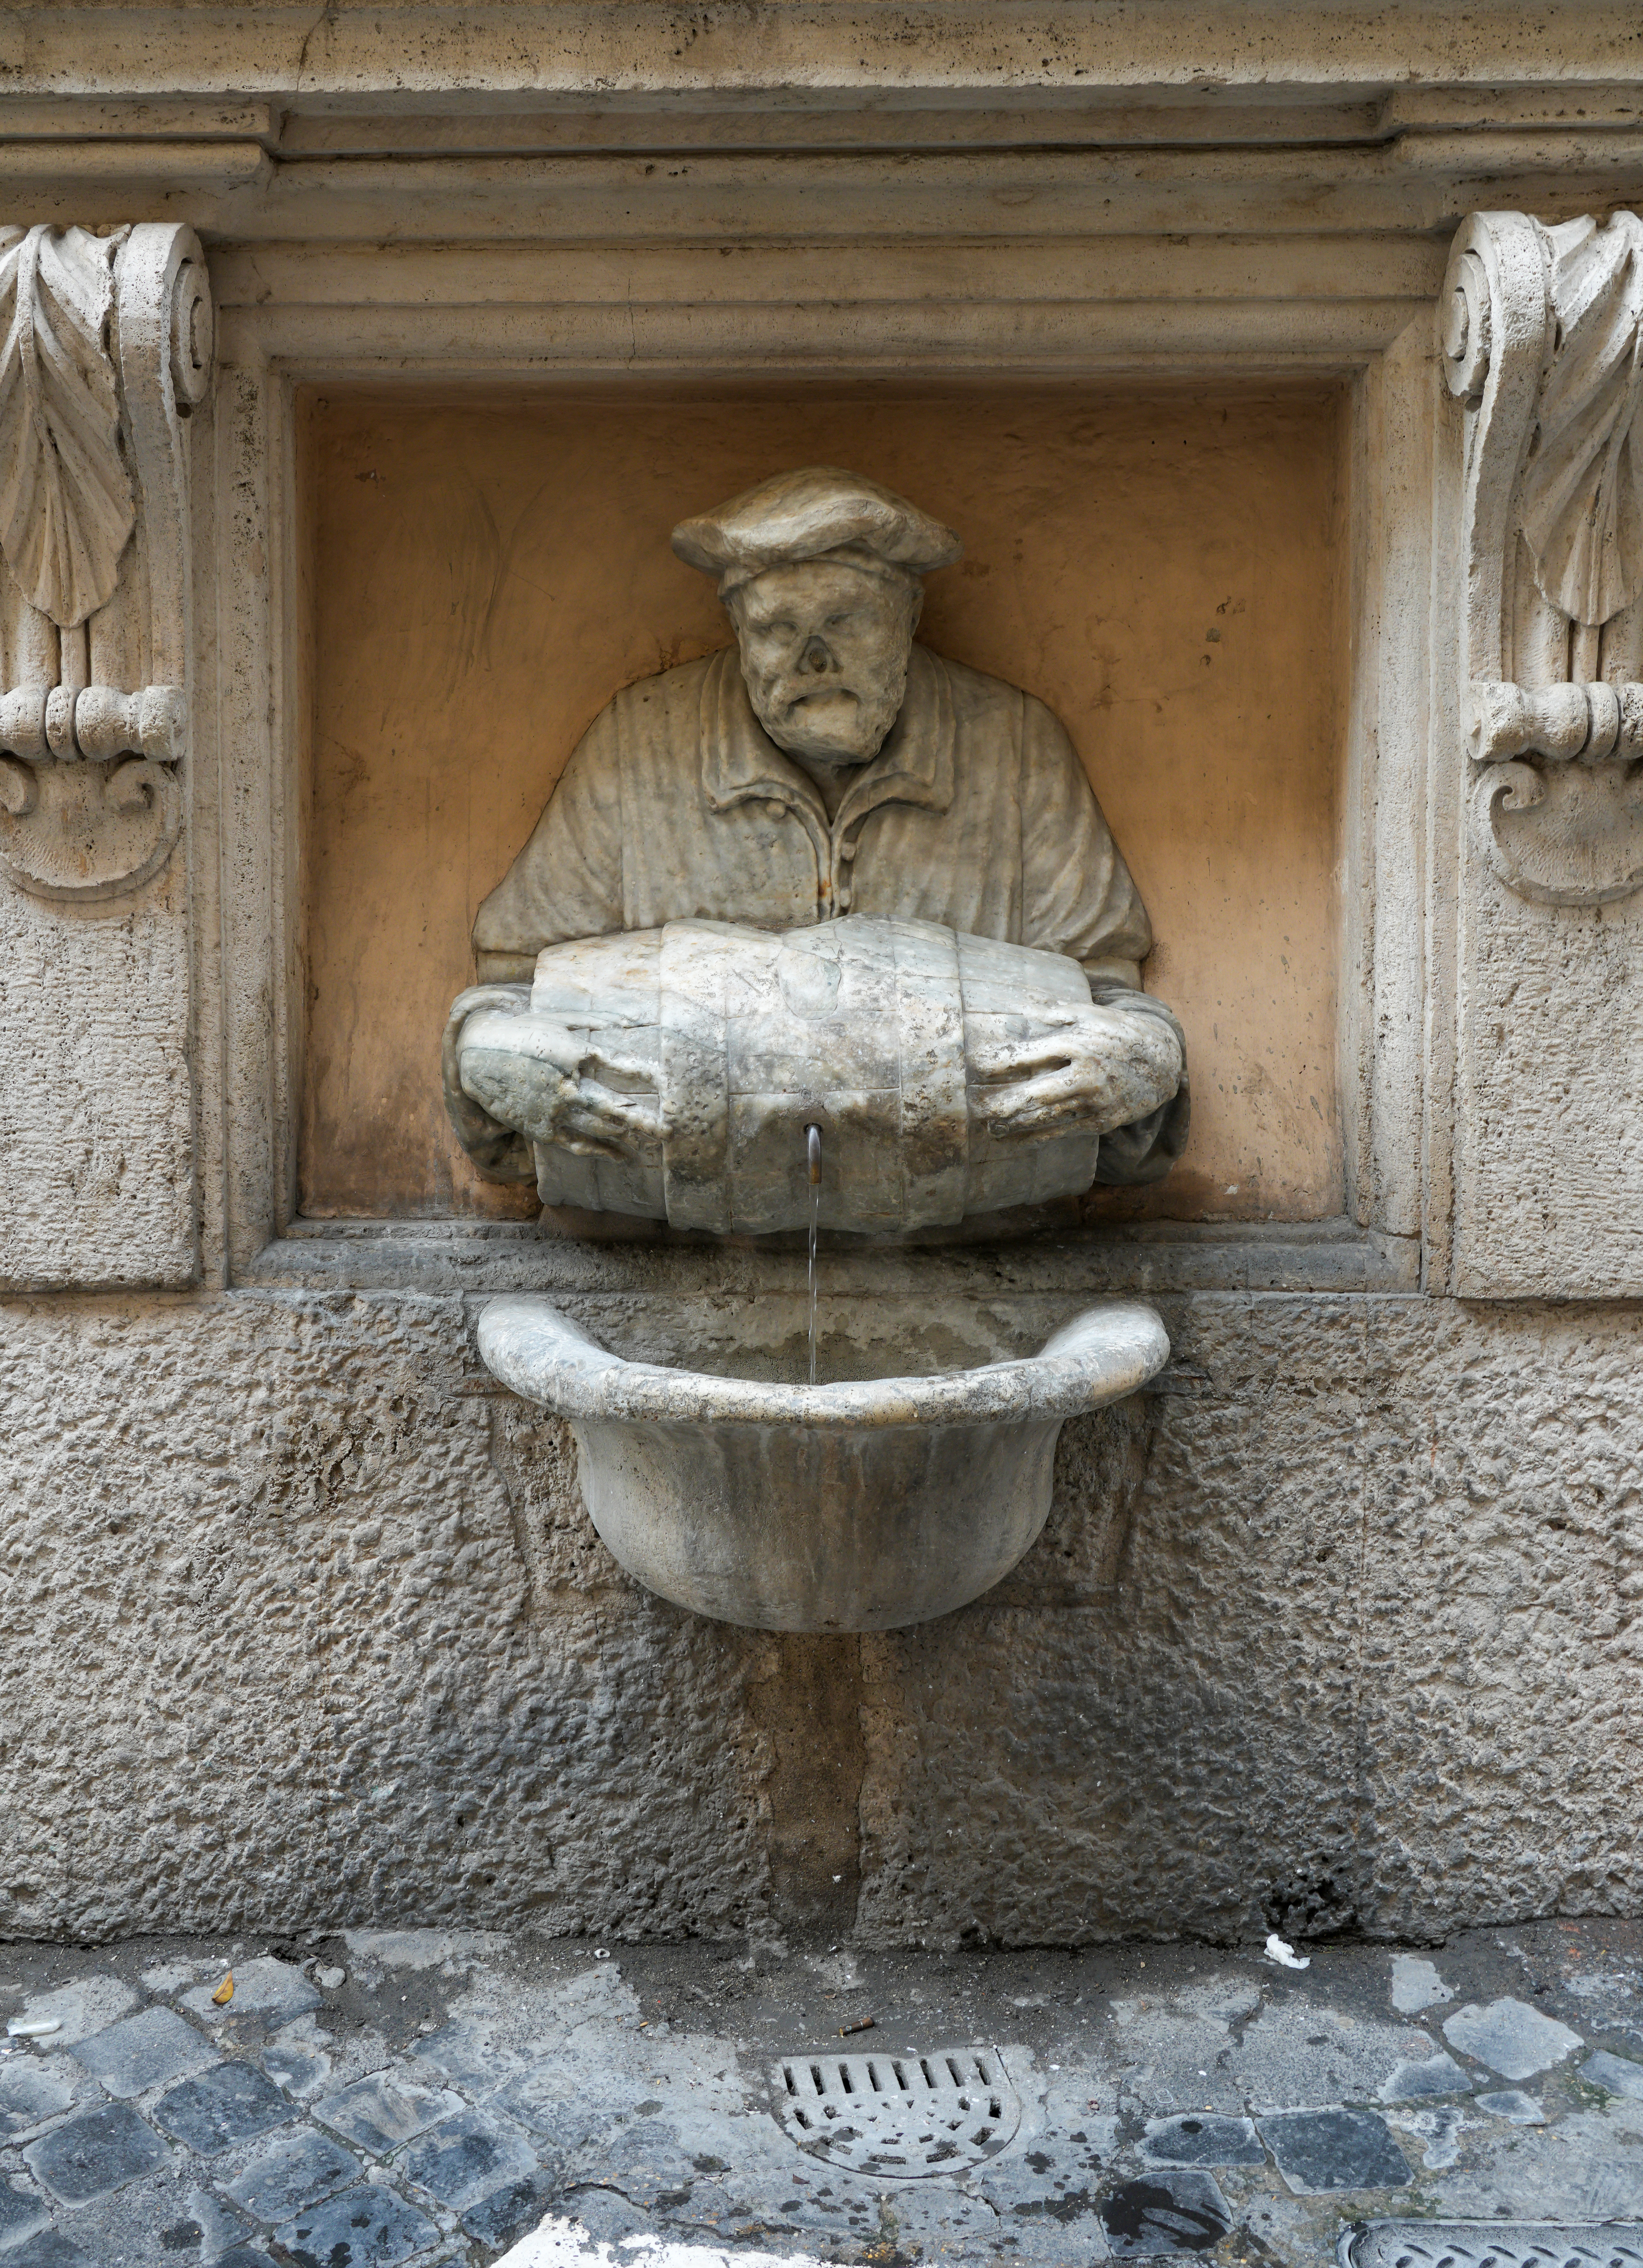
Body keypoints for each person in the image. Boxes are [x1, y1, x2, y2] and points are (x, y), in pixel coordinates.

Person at [447, 465, 1187, 1192]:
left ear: (907, 620)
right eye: (778, 628)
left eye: (844, 621)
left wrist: (1141, 1059)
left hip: (969, 1226)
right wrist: (493, 1050)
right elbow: (514, 991)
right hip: (672, 1231)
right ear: (738, 631)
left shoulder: (1013, 746)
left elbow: (1106, 1001)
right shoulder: (638, 746)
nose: (814, 659)